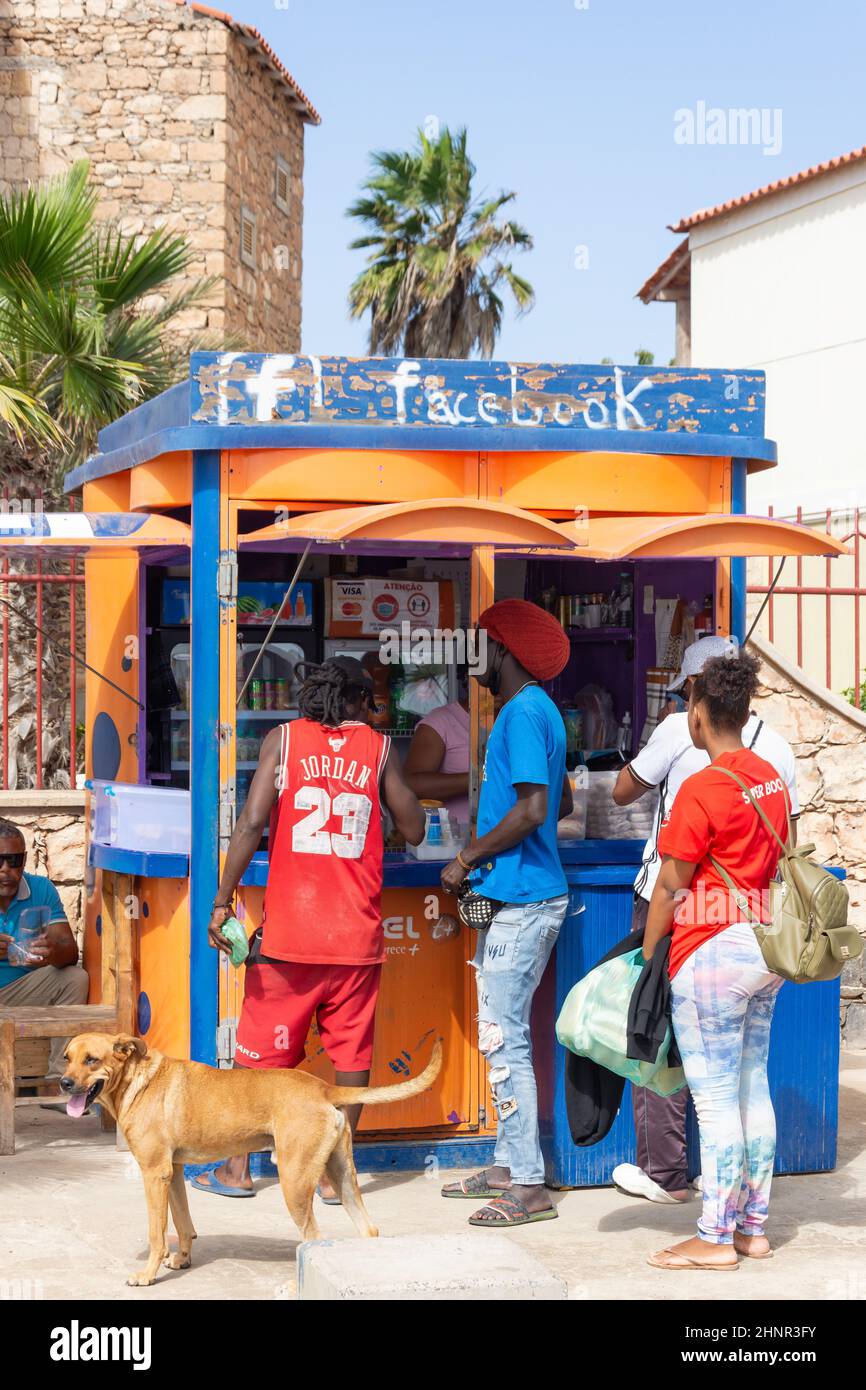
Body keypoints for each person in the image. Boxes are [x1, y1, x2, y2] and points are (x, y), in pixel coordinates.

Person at [199, 656, 425, 1199]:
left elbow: (252, 822)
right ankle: (334, 1175)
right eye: (368, 699)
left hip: (288, 940)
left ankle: (237, 1170)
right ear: (354, 700)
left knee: (259, 1060)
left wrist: (222, 901)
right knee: (350, 1062)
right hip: (356, 939)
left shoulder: (283, 740)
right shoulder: (379, 748)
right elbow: (414, 827)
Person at [609, 636, 799, 1205]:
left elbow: (670, 886)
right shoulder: (771, 773)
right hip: (764, 945)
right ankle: (753, 1227)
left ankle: (716, 1235)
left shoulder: (703, 788)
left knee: (712, 1099)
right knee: (750, 1088)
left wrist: (647, 957)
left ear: (697, 710)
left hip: (710, 946)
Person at [440, 599, 573, 1227]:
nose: (475, 658)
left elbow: (535, 810)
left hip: (523, 900)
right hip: (526, 894)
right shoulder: (541, 711)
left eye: (482, 646)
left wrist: (467, 856)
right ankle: (507, 1162)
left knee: (502, 1037)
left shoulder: (520, 714)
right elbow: (563, 796)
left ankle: (527, 1184)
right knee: (505, 1033)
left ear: (504, 652)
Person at [0, 818, 88, 1080]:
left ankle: (59, 1078)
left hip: (20, 991)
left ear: (24, 860)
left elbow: (70, 952)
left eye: (13, 860)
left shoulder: (41, 889)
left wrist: (51, 952)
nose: (5, 870)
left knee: (75, 977)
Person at [403, 688, 470, 829]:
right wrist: (476, 780)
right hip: (454, 839)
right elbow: (412, 785)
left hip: (510, 837)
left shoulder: (517, 718)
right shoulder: (441, 721)